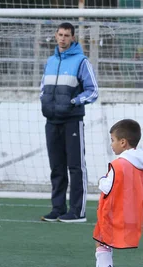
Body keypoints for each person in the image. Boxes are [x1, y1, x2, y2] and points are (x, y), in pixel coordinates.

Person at [40, 22, 99, 223]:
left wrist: (73, 102)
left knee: (75, 166)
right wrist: (44, 101)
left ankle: (77, 211)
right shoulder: (50, 61)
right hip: (51, 121)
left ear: (73, 37)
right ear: (55, 36)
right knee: (56, 167)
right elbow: (43, 87)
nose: (63, 38)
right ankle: (58, 208)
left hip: (72, 121)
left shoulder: (81, 62)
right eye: (60, 34)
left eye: (67, 35)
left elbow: (93, 91)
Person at [79, 119, 143, 267]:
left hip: (113, 212)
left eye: (113, 140)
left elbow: (107, 187)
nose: (112, 145)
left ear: (123, 142)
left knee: (101, 242)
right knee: (104, 241)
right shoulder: (140, 162)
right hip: (133, 213)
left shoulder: (118, 164)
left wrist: (101, 180)